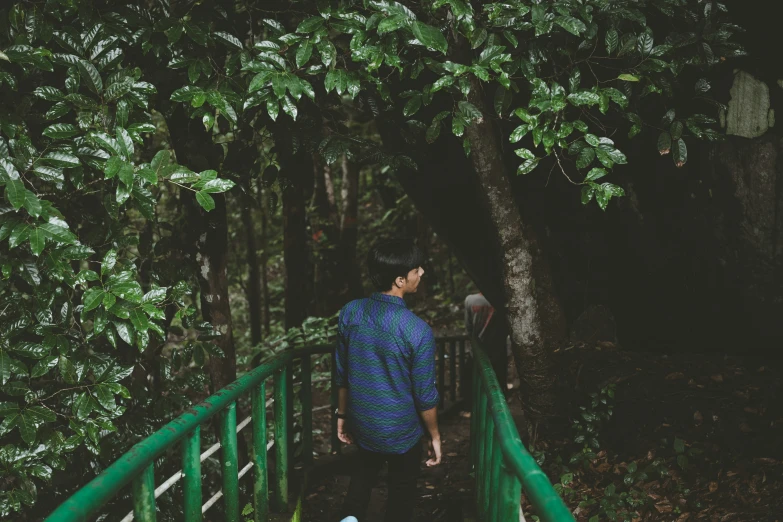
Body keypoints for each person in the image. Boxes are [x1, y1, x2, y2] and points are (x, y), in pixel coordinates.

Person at [335, 239, 441, 522]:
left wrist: (343, 415)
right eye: (417, 269)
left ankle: (350, 518)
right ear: (399, 279)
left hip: (365, 423)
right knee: (402, 489)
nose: (421, 274)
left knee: (363, 477)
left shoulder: (351, 312)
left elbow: (342, 372)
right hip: (401, 430)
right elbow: (424, 394)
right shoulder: (417, 330)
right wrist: (434, 435)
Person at [463, 293, 509, 404]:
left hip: (477, 348)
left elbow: (468, 326)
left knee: (472, 380)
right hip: (497, 350)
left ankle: (470, 406)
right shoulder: (502, 300)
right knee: (497, 383)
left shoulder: (470, 299)